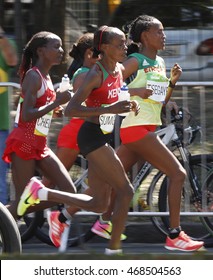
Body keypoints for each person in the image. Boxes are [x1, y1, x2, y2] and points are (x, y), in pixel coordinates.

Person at [17, 26, 139, 255]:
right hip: (91, 137)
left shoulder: (119, 69)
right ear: (103, 48)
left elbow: (118, 94)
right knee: (126, 190)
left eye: (125, 43)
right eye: (119, 44)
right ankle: (114, 251)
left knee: (99, 203)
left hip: (104, 136)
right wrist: (111, 108)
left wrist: (130, 103)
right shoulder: (95, 73)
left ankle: (43, 194)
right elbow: (70, 110)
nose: (125, 47)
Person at [116, 14, 203, 251]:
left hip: (147, 127)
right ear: (145, 36)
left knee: (105, 181)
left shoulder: (160, 63)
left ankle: (64, 214)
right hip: (135, 129)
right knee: (177, 174)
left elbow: (158, 98)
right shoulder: (134, 60)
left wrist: (172, 85)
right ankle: (174, 235)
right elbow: (110, 85)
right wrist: (136, 90)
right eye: (159, 31)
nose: (163, 36)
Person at [2, 31, 94, 219]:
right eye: (56, 46)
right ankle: (6, 224)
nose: (61, 50)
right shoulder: (33, 76)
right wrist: (55, 102)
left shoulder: (47, 77)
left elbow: (39, 109)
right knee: (21, 203)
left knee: (69, 191)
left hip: (40, 144)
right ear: (41, 51)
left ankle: (29, 201)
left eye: (61, 46)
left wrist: (54, 109)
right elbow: (26, 115)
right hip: (25, 143)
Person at [0, 26, 18, 205]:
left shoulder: (5, 43)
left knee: (0, 175)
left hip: (0, 122)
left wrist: (1, 36)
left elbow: (12, 60)